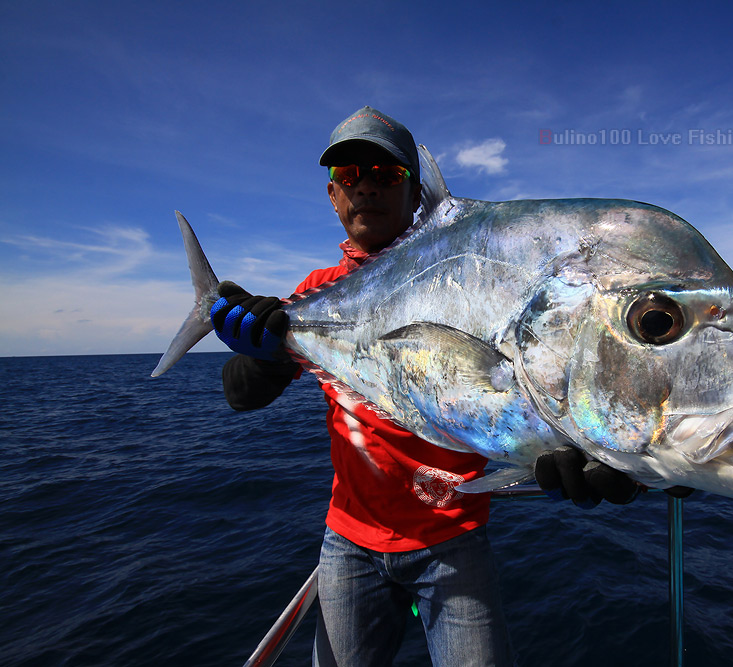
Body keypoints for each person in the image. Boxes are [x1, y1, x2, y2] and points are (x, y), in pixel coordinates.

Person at [208, 106, 637, 666]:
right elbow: (241, 395)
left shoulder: (470, 281)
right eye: (349, 176)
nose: (366, 187)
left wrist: (615, 447)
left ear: (415, 195)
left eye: (386, 175)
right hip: (348, 543)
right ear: (333, 197)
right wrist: (262, 356)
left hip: (453, 540)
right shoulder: (317, 291)